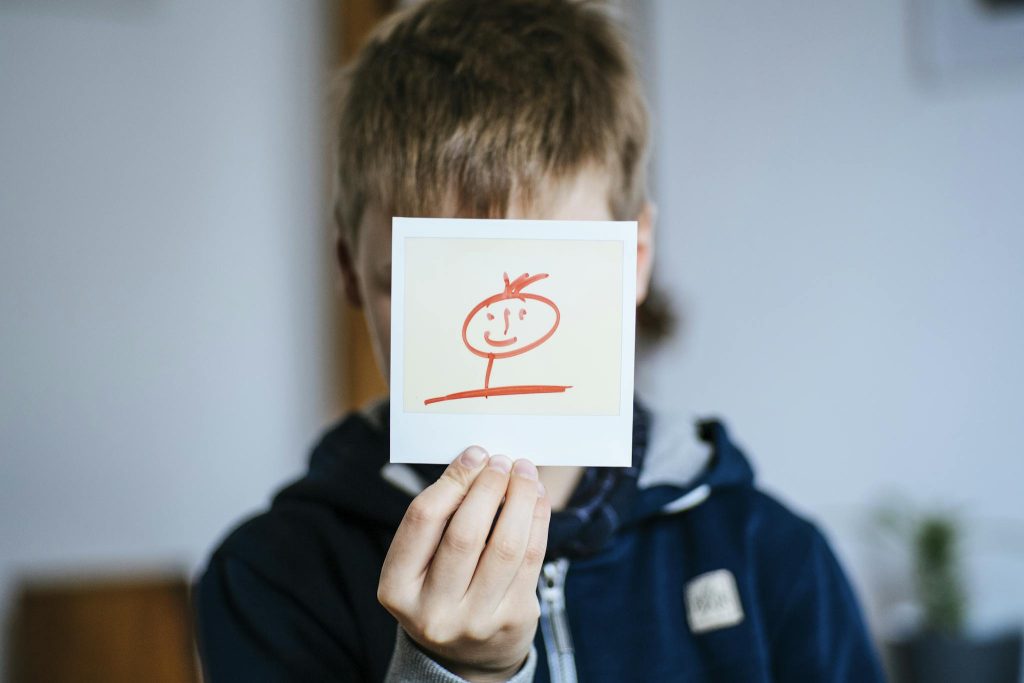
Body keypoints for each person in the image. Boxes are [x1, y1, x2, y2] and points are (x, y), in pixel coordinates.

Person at [195, 1, 885, 681]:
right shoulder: (269, 576)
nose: (495, 331)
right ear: (350, 270)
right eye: (424, 281)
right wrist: (452, 676)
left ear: (635, 257)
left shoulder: (774, 558)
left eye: (547, 278)